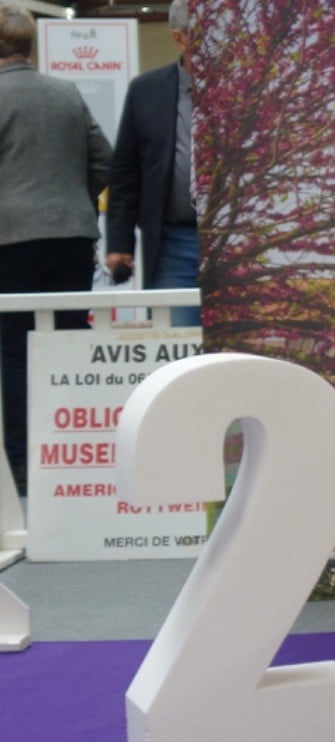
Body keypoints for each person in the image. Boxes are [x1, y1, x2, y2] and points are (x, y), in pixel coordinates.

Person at [0, 2, 111, 492]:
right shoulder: (67, 93)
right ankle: (76, 457)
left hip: (10, 242)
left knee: (14, 352)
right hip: (71, 237)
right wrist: (74, 201)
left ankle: (24, 467)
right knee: (70, 344)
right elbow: (104, 160)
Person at [105, 0, 200, 327]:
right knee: (176, 344)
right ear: (180, 39)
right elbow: (125, 172)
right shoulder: (146, 91)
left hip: (237, 240)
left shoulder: (246, 88)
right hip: (173, 241)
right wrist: (119, 242)